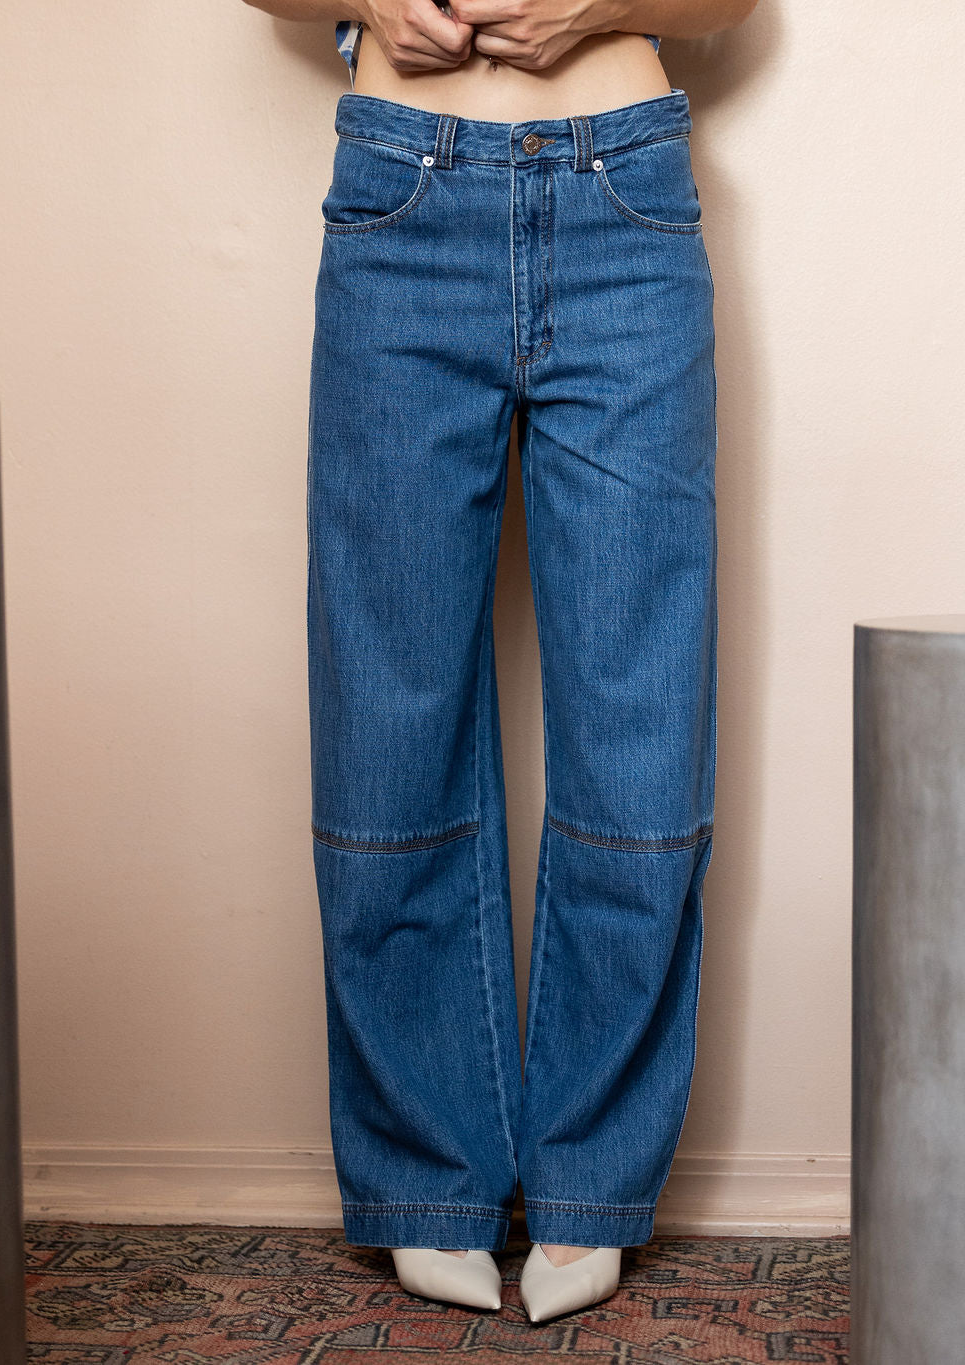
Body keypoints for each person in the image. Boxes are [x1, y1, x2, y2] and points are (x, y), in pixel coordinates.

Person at [242, 0, 757, 1324]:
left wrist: (614, 4)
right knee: (388, 709)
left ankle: (592, 1183)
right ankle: (427, 1177)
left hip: (625, 196)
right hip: (402, 196)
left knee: (639, 709)